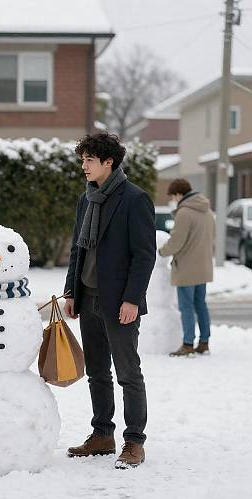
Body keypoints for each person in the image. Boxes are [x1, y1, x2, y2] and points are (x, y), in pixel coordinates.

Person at [63, 133, 156, 469]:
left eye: (89, 160)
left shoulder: (135, 199)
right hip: (87, 297)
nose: (83, 166)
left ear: (108, 162)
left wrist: (133, 298)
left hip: (119, 302)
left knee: (128, 373)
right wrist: (71, 291)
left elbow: (144, 256)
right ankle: (102, 434)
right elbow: (78, 249)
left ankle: (134, 442)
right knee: (97, 372)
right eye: (82, 160)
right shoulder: (86, 200)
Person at [158, 179, 215, 356]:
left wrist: (161, 251)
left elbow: (176, 242)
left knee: (187, 307)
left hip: (186, 268)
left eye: (173, 197)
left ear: (178, 194)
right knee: (200, 305)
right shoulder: (207, 211)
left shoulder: (184, 213)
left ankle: (188, 344)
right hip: (203, 266)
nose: (174, 201)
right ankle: (204, 342)